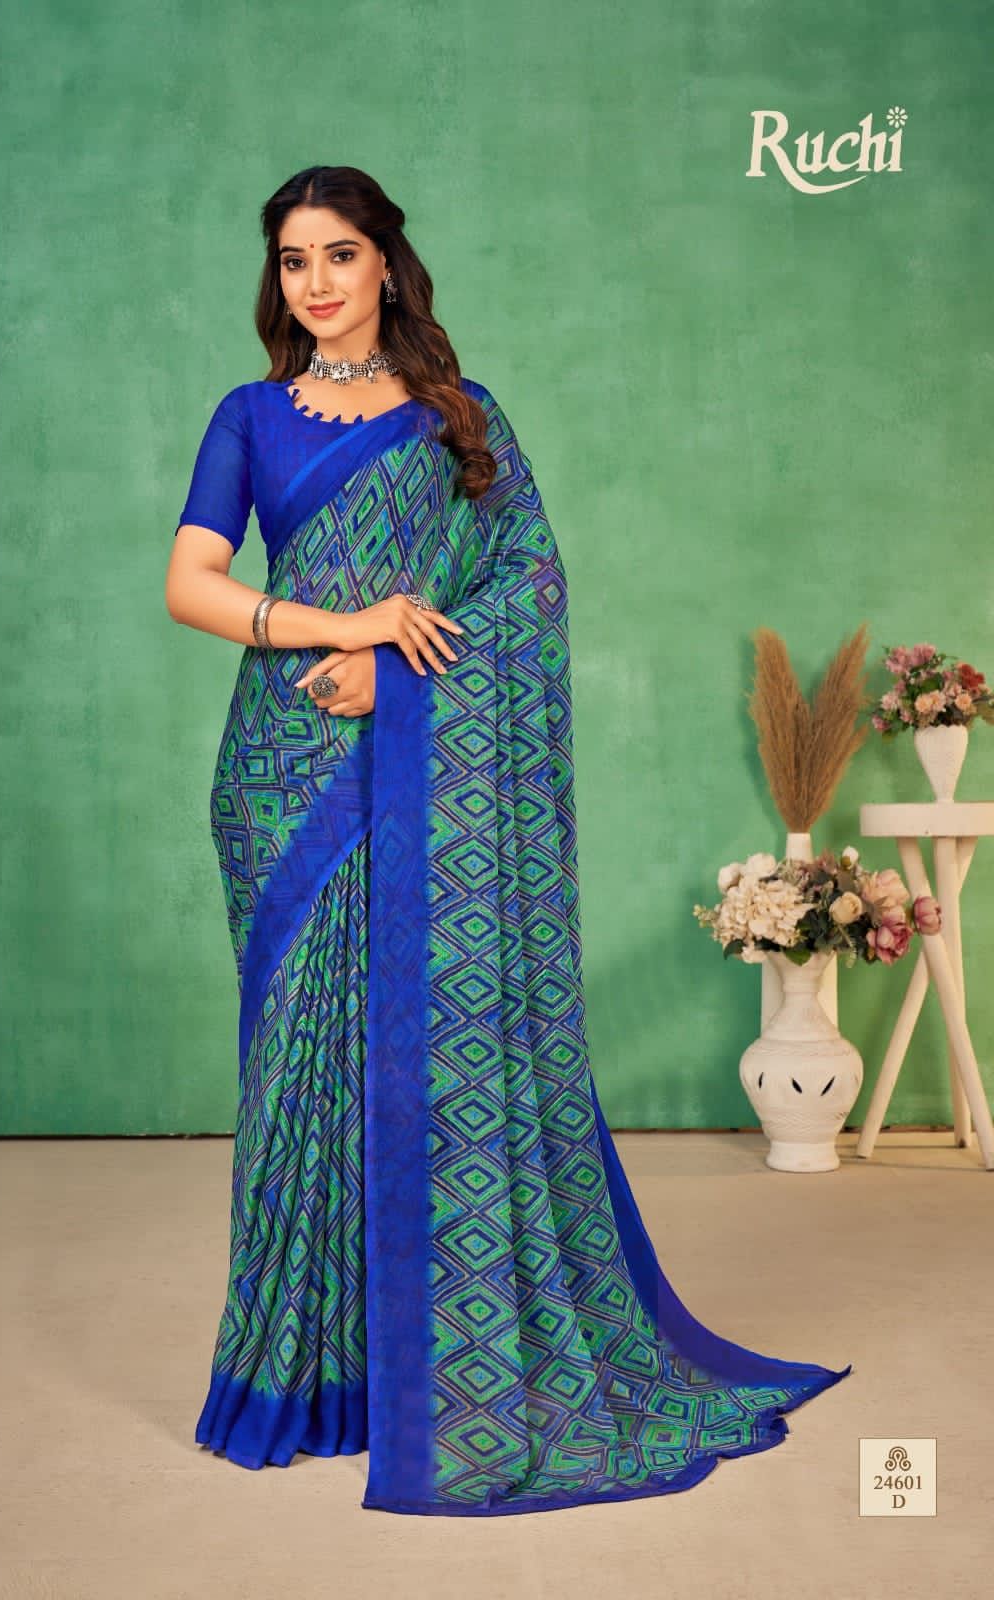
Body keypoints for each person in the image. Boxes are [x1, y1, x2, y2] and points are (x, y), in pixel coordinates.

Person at [166, 164, 853, 1518]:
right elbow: (192, 584)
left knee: (420, 1062)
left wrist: (398, 675)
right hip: (282, 776)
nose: (316, 282)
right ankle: (303, 1379)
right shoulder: (248, 417)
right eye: (295, 260)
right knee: (300, 1076)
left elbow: (528, 593)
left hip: (408, 758)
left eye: (340, 254)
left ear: (387, 263)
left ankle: (429, 1373)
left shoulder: (458, 419)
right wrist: (349, 628)